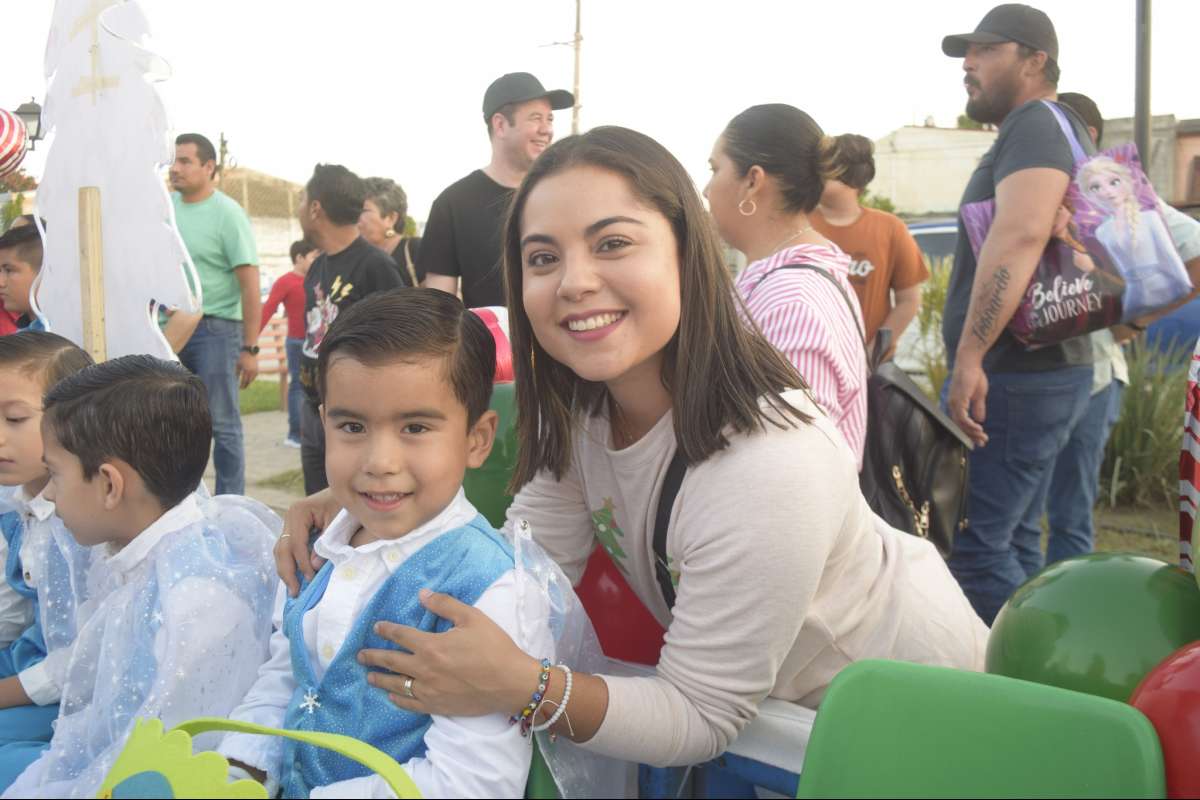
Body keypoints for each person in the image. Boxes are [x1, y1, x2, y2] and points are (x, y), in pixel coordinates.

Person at [279, 126, 987, 773]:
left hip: (922, 731)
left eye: (612, 243)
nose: (575, 280)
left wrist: (526, 687)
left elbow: (698, 715)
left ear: (685, 251)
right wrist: (362, 507)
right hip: (783, 730)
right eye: (543, 257)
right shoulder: (589, 410)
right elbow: (529, 568)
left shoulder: (771, 461)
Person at [217, 288, 576, 797]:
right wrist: (239, 770)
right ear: (324, 425)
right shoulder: (315, 547)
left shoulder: (490, 591)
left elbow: (472, 784)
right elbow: (285, 675)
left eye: (414, 427)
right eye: (353, 426)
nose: (379, 461)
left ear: (477, 438)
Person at [2, 356, 278, 798]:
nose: (49, 492)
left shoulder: (188, 600)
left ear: (110, 486)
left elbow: (157, 762)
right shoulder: (140, 550)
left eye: (54, 474)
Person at [939, 4, 1103, 623]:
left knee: (976, 553)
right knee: (1006, 541)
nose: (968, 65)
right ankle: (1053, 670)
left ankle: (1043, 680)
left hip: (1017, 375)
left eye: (985, 51)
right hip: (1038, 373)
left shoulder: (1036, 122)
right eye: (965, 54)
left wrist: (971, 356)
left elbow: (1021, 235)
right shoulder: (1048, 127)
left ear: (1036, 61)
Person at [705, 104, 869, 466]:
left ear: (752, 181)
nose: (705, 189)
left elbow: (795, 469)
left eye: (715, 169)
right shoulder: (781, 278)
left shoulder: (792, 301)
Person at [0, 333, 93, 790]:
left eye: (15, 418)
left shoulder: (81, 526)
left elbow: (80, 659)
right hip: (28, 661)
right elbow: (16, 614)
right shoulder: (18, 508)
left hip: (69, 687)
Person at [420, 72, 573, 307]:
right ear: (500, 125)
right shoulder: (453, 203)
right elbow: (441, 307)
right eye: (535, 118)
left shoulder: (565, 195)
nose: (546, 130)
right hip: (490, 342)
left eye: (550, 119)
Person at [297, 165, 406, 495]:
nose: (299, 206)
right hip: (315, 411)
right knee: (316, 509)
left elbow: (398, 341)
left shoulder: (375, 266)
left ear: (316, 208)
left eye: (303, 198)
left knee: (350, 510)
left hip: (353, 419)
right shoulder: (318, 265)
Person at [170, 132, 262, 496]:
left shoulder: (228, 214)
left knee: (222, 424)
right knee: (173, 422)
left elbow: (250, 284)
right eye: (173, 161)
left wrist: (250, 348)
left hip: (217, 330)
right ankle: (179, 502)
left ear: (209, 167)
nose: (175, 169)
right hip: (169, 329)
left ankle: (229, 505)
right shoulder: (164, 210)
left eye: (185, 161)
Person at [812, 134, 928, 350]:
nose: (814, 175)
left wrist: (872, 355)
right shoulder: (798, 225)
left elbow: (909, 300)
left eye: (825, 168)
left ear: (852, 175)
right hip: (808, 363)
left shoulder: (890, 228)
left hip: (869, 370)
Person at [260, 239, 318, 448]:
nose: (316, 260)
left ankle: (315, 433)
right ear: (299, 258)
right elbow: (269, 308)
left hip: (317, 343)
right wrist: (249, 340)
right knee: (298, 387)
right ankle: (295, 435)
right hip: (296, 342)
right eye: (313, 256)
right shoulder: (285, 281)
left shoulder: (317, 279)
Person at [360, 177, 422, 285]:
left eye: (363, 211)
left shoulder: (416, 249)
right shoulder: (355, 256)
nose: (355, 217)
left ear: (391, 218)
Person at [0, 217, 46, 332]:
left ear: (42, 272)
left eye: (9, 270)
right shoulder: (24, 333)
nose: (1, 282)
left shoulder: (61, 337)